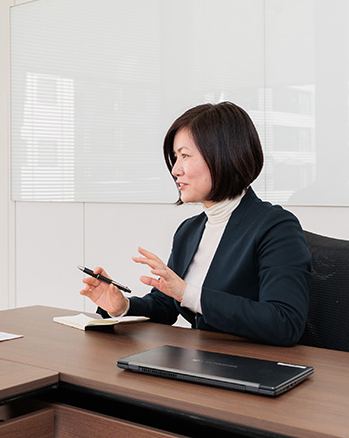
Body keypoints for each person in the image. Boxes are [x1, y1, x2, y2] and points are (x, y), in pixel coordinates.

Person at [80, 102, 310, 346]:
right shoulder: (189, 230)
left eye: (185, 155)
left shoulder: (276, 227)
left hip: (252, 368)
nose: (175, 170)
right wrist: (122, 307)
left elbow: (284, 322)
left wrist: (187, 293)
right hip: (202, 361)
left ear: (223, 155)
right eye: (175, 157)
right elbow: (166, 305)